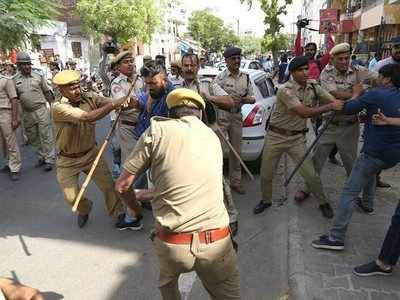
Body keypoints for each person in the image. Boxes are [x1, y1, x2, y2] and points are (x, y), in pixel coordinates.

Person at [115, 88, 240, 300]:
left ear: (171, 114)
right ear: (199, 114)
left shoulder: (157, 131)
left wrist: (135, 210)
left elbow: (122, 186)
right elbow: (192, 183)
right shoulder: (212, 136)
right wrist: (152, 193)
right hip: (216, 243)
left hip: (174, 244)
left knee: (168, 287)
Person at [311, 63, 400, 250]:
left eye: (381, 78)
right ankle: (367, 204)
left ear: (388, 79)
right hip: (393, 154)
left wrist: (357, 93)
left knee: (350, 192)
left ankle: (336, 237)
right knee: (371, 171)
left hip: (375, 150)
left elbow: (347, 108)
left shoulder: (375, 94)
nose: (378, 80)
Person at [253, 56, 343, 218]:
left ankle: (323, 202)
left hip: (297, 139)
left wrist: (340, 102)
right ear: (292, 73)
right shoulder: (284, 90)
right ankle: (266, 200)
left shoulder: (313, 86)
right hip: (276, 136)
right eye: (300, 70)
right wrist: (331, 106)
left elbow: (332, 99)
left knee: (311, 174)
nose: (304, 72)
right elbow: (303, 112)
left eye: (306, 69)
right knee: (266, 173)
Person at [51, 70, 142, 229]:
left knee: (108, 186)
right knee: (71, 197)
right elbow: (88, 117)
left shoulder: (90, 97)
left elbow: (111, 102)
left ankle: (119, 213)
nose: (77, 90)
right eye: (72, 88)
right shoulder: (58, 107)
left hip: (91, 154)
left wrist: (127, 102)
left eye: (78, 85)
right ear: (61, 90)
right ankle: (84, 209)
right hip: (67, 160)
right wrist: (115, 104)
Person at [294, 43, 378, 203]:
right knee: (317, 160)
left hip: (350, 127)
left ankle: (355, 193)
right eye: (341, 59)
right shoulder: (326, 73)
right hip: (329, 125)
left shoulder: (358, 70)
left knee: (351, 163)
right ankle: (307, 188)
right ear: (332, 59)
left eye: (347, 58)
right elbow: (334, 95)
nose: (345, 62)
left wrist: (371, 88)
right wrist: (357, 93)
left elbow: (377, 78)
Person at [178, 52, 240, 235]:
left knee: (217, 178)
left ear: (198, 67)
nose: (189, 69)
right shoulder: (176, 87)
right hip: (185, 140)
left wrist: (209, 98)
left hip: (208, 138)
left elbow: (230, 101)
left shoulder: (207, 84)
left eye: (192, 65)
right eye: (186, 65)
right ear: (182, 67)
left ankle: (231, 215)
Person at [110, 51, 144, 230]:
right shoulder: (117, 84)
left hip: (144, 126)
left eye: (132, 61)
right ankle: (132, 215)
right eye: (127, 62)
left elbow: (145, 98)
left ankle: (141, 199)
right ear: (119, 67)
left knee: (147, 166)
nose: (131, 64)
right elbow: (123, 103)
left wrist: (139, 102)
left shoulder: (141, 79)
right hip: (128, 128)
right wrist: (140, 102)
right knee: (131, 168)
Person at [215, 46, 255, 194]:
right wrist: (225, 100)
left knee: (236, 151)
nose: (237, 61)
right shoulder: (220, 78)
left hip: (237, 116)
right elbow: (214, 98)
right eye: (233, 58)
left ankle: (235, 182)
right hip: (222, 116)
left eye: (238, 58)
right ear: (226, 61)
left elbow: (252, 98)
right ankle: (216, 182)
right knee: (216, 150)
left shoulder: (246, 77)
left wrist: (244, 99)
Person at [14, 52, 56, 171]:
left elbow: (47, 92)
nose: (27, 66)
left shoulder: (38, 76)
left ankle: (49, 159)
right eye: (24, 64)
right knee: (32, 137)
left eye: (28, 64)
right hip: (27, 113)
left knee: (45, 135)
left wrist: (51, 107)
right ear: (19, 66)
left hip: (41, 109)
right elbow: (15, 98)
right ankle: (42, 156)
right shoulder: (15, 80)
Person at [0, 72, 21, 181]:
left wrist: (15, 118)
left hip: (5, 113)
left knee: (10, 141)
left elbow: (14, 99)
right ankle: (9, 163)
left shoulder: (5, 80)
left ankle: (15, 168)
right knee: (2, 143)